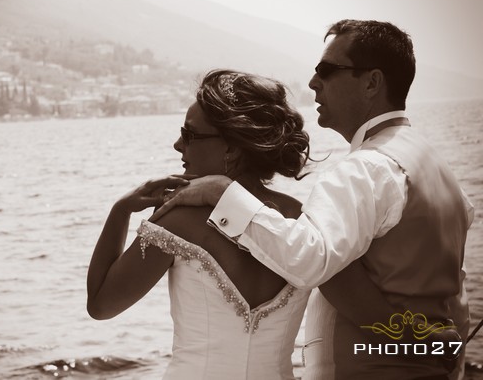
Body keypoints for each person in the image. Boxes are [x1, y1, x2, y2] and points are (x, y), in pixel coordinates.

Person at [151, 20, 475, 380]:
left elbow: (308, 260)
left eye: (327, 70)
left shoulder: (366, 170)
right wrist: (430, 349)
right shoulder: (438, 172)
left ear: (372, 82)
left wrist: (222, 194)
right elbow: (454, 302)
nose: (312, 82)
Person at [87, 69, 313, 379]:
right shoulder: (300, 218)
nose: (178, 145)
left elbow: (101, 305)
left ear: (232, 148)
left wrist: (120, 210)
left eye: (190, 134)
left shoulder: (177, 220)